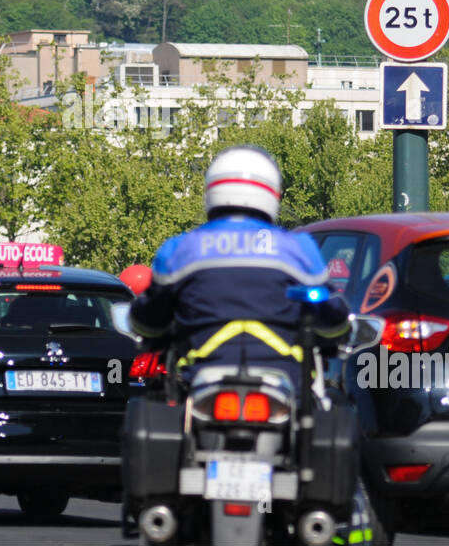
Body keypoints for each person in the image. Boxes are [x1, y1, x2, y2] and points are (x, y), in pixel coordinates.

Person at [131, 145, 348, 375]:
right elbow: (332, 317)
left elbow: (150, 319)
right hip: (284, 377)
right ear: (273, 194)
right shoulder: (299, 247)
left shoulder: (179, 249)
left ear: (210, 191)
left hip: (202, 375)